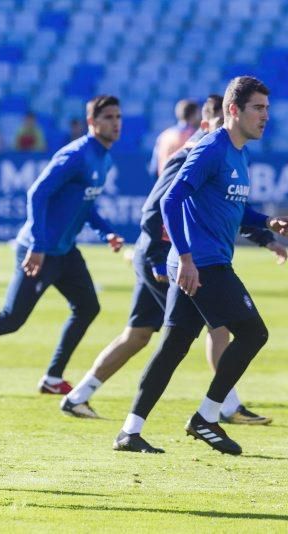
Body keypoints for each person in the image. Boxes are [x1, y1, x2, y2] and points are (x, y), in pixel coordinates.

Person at [62, 94, 283, 422]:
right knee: (217, 328)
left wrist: (265, 235)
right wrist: (155, 258)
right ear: (210, 123)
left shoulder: (224, 152)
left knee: (139, 335)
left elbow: (226, 209)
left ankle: (79, 396)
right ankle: (226, 407)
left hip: (172, 255)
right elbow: (156, 207)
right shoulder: (195, 155)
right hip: (169, 258)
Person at [114, 76, 288, 455]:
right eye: (258, 108)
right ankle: (206, 417)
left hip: (197, 263)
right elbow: (170, 201)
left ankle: (130, 431)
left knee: (173, 345)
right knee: (254, 333)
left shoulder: (239, 153)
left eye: (267, 109)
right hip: (203, 263)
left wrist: (265, 223)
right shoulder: (212, 148)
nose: (265, 117)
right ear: (233, 110)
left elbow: (233, 206)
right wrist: (187, 257)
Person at [0, 95, 125, 396]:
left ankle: (53, 377)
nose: (115, 123)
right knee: (11, 319)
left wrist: (106, 232)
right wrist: (38, 245)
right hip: (38, 251)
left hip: (64, 251)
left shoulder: (104, 157)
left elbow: (85, 202)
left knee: (88, 307)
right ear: (92, 122)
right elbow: (37, 194)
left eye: (118, 117)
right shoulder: (77, 154)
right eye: (108, 117)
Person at [149, 99, 200, 177]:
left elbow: (153, 169)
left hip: (165, 183)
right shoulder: (196, 136)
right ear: (195, 114)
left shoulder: (164, 136)